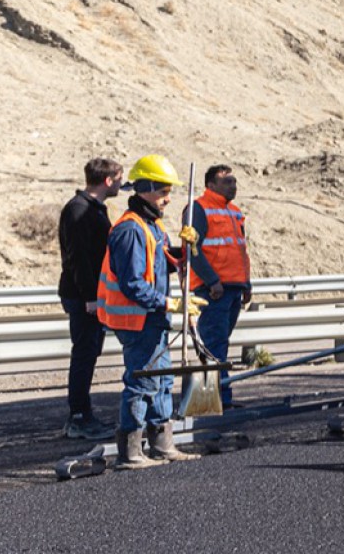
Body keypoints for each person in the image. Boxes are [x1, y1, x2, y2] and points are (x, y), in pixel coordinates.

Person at [95, 154, 201, 468]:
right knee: (142, 383)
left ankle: (162, 445)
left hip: (152, 319)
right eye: (164, 191)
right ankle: (130, 451)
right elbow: (132, 284)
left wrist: (187, 249)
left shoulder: (153, 225)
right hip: (136, 320)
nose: (168, 198)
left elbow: (162, 263)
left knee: (162, 381)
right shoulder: (130, 229)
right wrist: (169, 303)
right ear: (146, 189)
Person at [58, 157, 123, 440]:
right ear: (107, 181)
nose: (121, 185)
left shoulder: (92, 209)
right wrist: (90, 297)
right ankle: (78, 417)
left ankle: (83, 415)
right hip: (84, 296)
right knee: (84, 354)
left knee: (89, 353)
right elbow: (78, 258)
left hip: (92, 295)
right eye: (119, 179)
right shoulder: (79, 210)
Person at [184, 164, 249, 409]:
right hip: (214, 290)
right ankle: (215, 401)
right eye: (227, 181)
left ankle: (216, 399)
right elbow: (193, 250)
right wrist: (212, 280)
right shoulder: (198, 208)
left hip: (233, 287)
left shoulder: (234, 212)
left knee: (219, 343)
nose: (233, 185)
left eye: (234, 181)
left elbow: (241, 250)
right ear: (211, 185)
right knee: (213, 345)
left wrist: (246, 283)